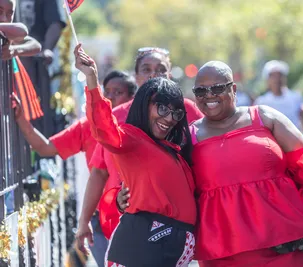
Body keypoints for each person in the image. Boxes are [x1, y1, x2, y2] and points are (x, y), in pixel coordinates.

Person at [117, 61, 303, 266]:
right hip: (223, 249)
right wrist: (125, 197)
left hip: (285, 242)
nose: (209, 96)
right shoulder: (186, 136)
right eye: (201, 91)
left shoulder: (264, 116)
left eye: (217, 88)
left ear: (233, 89)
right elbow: (162, 177)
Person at [75, 44, 197, 267]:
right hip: (145, 241)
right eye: (161, 108)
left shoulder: (169, 146)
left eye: (175, 112)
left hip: (164, 246)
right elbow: (103, 130)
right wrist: (92, 79)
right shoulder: (132, 137)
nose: (169, 118)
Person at [12, 69, 137, 267]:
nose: (111, 97)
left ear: (132, 98)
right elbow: (45, 148)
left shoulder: (140, 126)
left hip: (134, 215)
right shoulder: (88, 126)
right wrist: (21, 119)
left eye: (118, 92)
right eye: (107, 92)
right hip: (100, 217)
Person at [18, 0, 67, 137]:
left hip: (35, 55)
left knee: (30, 59)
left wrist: (46, 49)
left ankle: (39, 133)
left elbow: (55, 24)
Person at [254, 60, 303, 130]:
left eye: (280, 75)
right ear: (267, 80)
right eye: (273, 76)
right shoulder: (261, 102)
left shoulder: (296, 97)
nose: (277, 79)